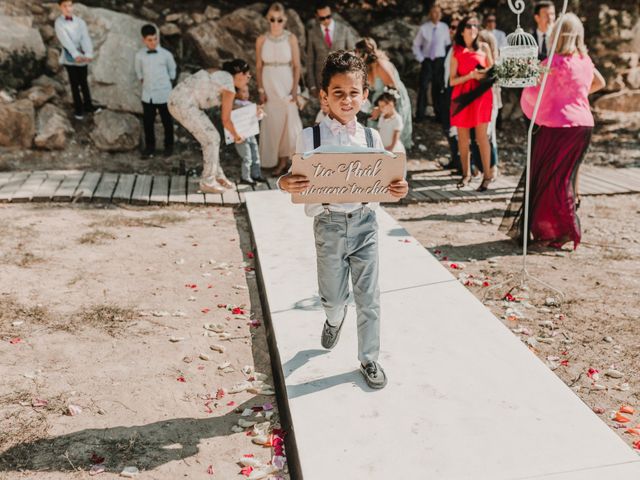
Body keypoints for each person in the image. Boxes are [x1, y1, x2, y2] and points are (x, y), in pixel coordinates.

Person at [278, 50, 409, 389]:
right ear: (324, 96)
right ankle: (334, 319)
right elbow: (292, 177)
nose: (347, 99)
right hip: (329, 224)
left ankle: (369, 358)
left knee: (369, 297)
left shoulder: (371, 137)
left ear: (365, 96)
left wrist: (397, 187)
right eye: (338, 93)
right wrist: (284, 182)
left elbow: (384, 181)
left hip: (365, 221)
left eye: (354, 93)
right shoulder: (310, 138)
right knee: (334, 298)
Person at [501, 13, 605, 249]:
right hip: (583, 126)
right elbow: (600, 82)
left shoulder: (550, 65)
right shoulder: (585, 61)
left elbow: (529, 96)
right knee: (564, 180)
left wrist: (557, 101)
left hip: (558, 128)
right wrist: (576, 96)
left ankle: (560, 230)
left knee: (548, 180)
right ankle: (562, 229)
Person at [168, 60, 251, 194]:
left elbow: (227, 106)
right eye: (248, 76)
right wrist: (237, 136)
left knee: (211, 138)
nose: (248, 80)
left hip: (176, 99)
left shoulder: (219, 73)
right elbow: (226, 119)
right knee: (212, 138)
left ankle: (217, 176)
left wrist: (254, 110)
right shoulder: (229, 86)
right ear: (240, 74)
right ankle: (208, 181)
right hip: (184, 104)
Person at [256, 2, 303, 176]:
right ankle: (271, 160)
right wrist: (260, 89)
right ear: (268, 19)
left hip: (286, 80)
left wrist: (294, 90)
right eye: (272, 19)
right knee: (272, 122)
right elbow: (258, 66)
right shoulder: (261, 39)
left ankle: (287, 162)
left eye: (279, 20)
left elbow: (297, 66)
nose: (275, 23)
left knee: (289, 121)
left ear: (285, 20)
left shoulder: (291, 38)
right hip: (268, 82)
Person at [449, 15, 494, 191]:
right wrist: (470, 76)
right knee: (463, 138)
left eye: (476, 25)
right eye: (469, 25)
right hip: (462, 97)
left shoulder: (484, 47)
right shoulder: (456, 51)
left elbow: (493, 71)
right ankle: (466, 174)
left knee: (482, 137)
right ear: (462, 30)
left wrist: (483, 74)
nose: (473, 28)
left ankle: (488, 175)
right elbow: (452, 81)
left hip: (482, 96)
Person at [355, 37, 413, 149]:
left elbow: (393, 89)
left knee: (390, 136)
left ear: (364, 54)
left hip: (392, 101)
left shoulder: (380, 65)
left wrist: (380, 109)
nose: (355, 54)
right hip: (380, 100)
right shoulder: (367, 67)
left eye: (356, 51)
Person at [135, 24, 177, 159]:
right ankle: (150, 148)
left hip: (164, 94)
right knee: (148, 123)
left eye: (155, 39)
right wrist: (146, 84)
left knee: (167, 122)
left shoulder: (166, 55)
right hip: (148, 95)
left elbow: (172, 71)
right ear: (144, 40)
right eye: (149, 40)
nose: (153, 42)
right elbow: (139, 73)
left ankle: (169, 147)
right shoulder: (140, 56)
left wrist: (167, 84)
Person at [54, 0, 99, 120]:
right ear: (60, 7)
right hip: (70, 57)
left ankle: (88, 105)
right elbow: (65, 40)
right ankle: (78, 109)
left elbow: (85, 38)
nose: (68, 8)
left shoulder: (80, 22)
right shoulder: (59, 23)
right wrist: (75, 54)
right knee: (74, 83)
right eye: (65, 6)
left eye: (70, 5)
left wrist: (88, 53)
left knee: (84, 82)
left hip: (82, 55)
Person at [305, 1, 357, 95]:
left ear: (331, 14)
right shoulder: (312, 33)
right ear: (316, 16)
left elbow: (353, 54)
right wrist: (312, 85)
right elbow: (310, 60)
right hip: (321, 81)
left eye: (328, 17)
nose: (326, 20)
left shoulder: (344, 29)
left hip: (342, 77)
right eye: (322, 18)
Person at [413, 4, 450, 122]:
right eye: (434, 12)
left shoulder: (444, 28)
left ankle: (439, 115)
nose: (436, 15)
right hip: (427, 60)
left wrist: (445, 61)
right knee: (423, 87)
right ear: (430, 14)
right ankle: (420, 115)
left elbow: (447, 45)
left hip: (440, 61)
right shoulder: (424, 28)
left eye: (439, 12)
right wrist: (421, 59)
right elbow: (416, 45)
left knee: (438, 87)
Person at [234, 85, 265, 185]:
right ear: (236, 93)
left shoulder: (250, 104)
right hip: (241, 135)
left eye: (247, 92)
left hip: (251, 134)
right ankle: (245, 177)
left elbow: (256, 117)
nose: (246, 94)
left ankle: (256, 174)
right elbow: (240, 111)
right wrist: (252, 109)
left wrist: (259, 113)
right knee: (247, 157)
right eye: (243, 92)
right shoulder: (235, 103)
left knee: (255, 154)